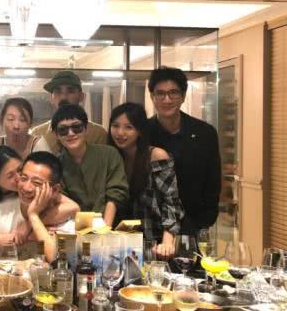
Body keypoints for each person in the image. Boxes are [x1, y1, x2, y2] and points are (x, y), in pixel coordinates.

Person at [0, 146, 79, 262]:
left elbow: (57, 261)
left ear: (55, 190)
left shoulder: (64, 219)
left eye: (37, 182)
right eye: (23, 178)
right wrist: (28, 237)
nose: (26, 187)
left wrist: (32, 218)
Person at [147, 67, 221, 234]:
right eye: (160, 93)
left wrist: (205, 220)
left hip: (194, 224)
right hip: (152, 226)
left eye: (173, 93)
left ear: (183, 96)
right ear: (152, 97)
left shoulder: (205, 133)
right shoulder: (143, 133)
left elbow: (213, 181)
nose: (167, 100)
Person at [108, 102, 184, 257]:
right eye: (115, 126)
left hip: (152, 241)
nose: (120, 132)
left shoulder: (156, 156)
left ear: (140, 131)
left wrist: (167, 242)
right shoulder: (109, 157)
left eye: (128, 127)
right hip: (116, 242)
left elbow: (171, 203)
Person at [53, 103, 129, 227]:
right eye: (63, 130)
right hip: (72, 227)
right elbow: (62, 201)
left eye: (76, 127)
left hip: (110, 226)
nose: (70, 133)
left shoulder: (109, 154)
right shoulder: (56, 165)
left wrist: (105, 228)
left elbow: (116, 193)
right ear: (56, 134)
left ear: (85, 128)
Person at [32, 70, 107, 153]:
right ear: (51, 98)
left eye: (70, 91)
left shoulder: (98, 133)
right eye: (58, 91)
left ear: (82, 96)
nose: (63, 97)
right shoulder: (38, 134)